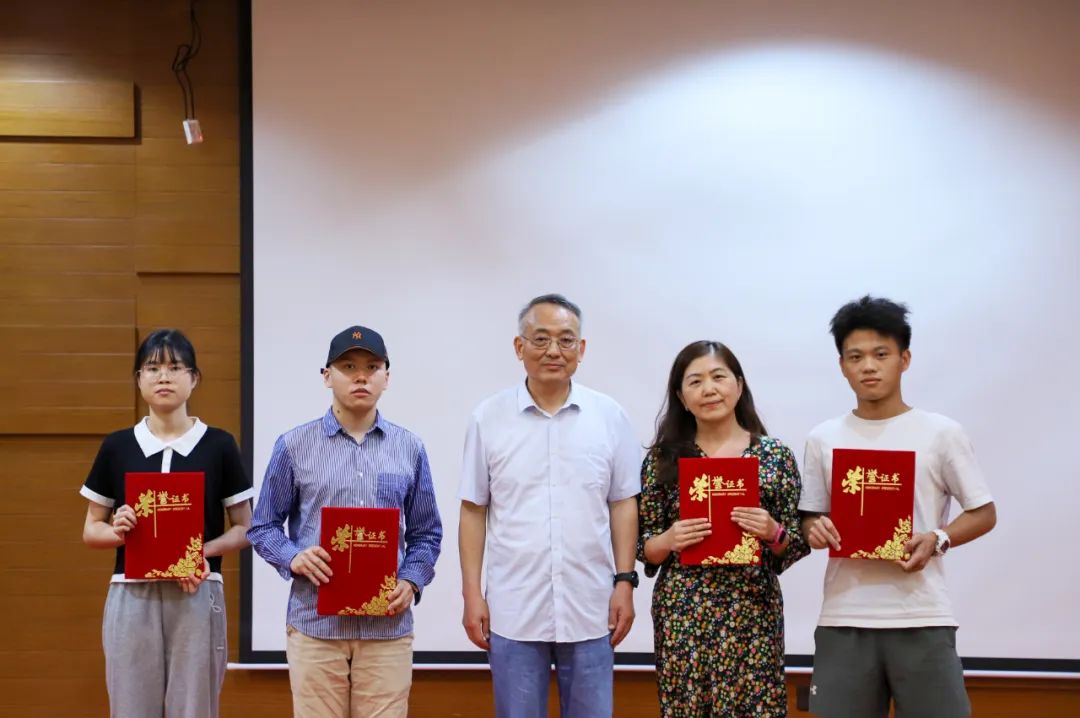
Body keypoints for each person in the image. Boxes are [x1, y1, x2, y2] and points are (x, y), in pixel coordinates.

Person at [799, 296, 997, 718]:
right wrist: (813, 528)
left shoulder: (941, 433)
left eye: (881, 354)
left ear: (904, 359)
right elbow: (811, 516)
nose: (868, 366)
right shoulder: (822, 438)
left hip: (921, 614)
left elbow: (983, 512)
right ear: (842, 366)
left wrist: (937, 538)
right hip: (844, 617)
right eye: (856, 357)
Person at [458, 293, 641, 718]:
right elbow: (474, 510)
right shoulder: (488, 418)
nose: (554, 351)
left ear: (582, 348)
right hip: (514, 608)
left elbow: (623, 504)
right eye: (540, 339)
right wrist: (471, 594)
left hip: (591, 606)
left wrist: (625, 582)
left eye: (566, 339)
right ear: (519, 347)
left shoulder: (609, 416)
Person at [248, 325, 443, 718]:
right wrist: (293, 557)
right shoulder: (293, 445)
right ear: (327, 376)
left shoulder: (409, 447)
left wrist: (411, 580)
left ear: (387, 377)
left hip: (386, 629)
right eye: (348, 367)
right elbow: (262, 526)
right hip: (315, 626)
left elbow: (426, 533)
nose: (361, 377)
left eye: (372, 367)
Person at [80, 328, 253, 718]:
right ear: (139, 379)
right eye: (153, 367)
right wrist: (118, 530)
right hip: (132, 593)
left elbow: (245, 528)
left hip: (197, 590)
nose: (164, 376)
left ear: (194, 379)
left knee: (193, 707)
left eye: (175, 367)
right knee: (130, 707)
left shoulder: (219, 445)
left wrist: (200, 553)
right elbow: (92, 529)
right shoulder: (117, 446)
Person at [638, 340, 809, 717]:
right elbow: (644, 547)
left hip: (753, 612)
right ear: (681, 397)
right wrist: (669, 539)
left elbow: (795, 544)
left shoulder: (774, 456)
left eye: (718, 377)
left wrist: (773, 531)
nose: (709, 389)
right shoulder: (662, 459)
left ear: (739, 385)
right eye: (695, 381)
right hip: (683, 615)